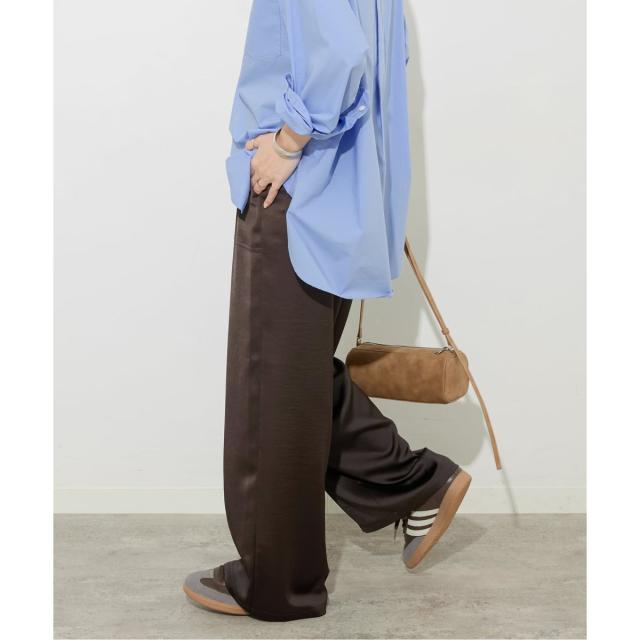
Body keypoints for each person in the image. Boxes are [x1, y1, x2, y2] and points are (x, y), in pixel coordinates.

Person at [183, 0, 471, 622]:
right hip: (342, 198)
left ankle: (278, 584)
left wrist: (288, 142)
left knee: (271, 389)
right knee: (297, 380)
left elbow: (338, 56)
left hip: (298, 195)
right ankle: (416, 485)